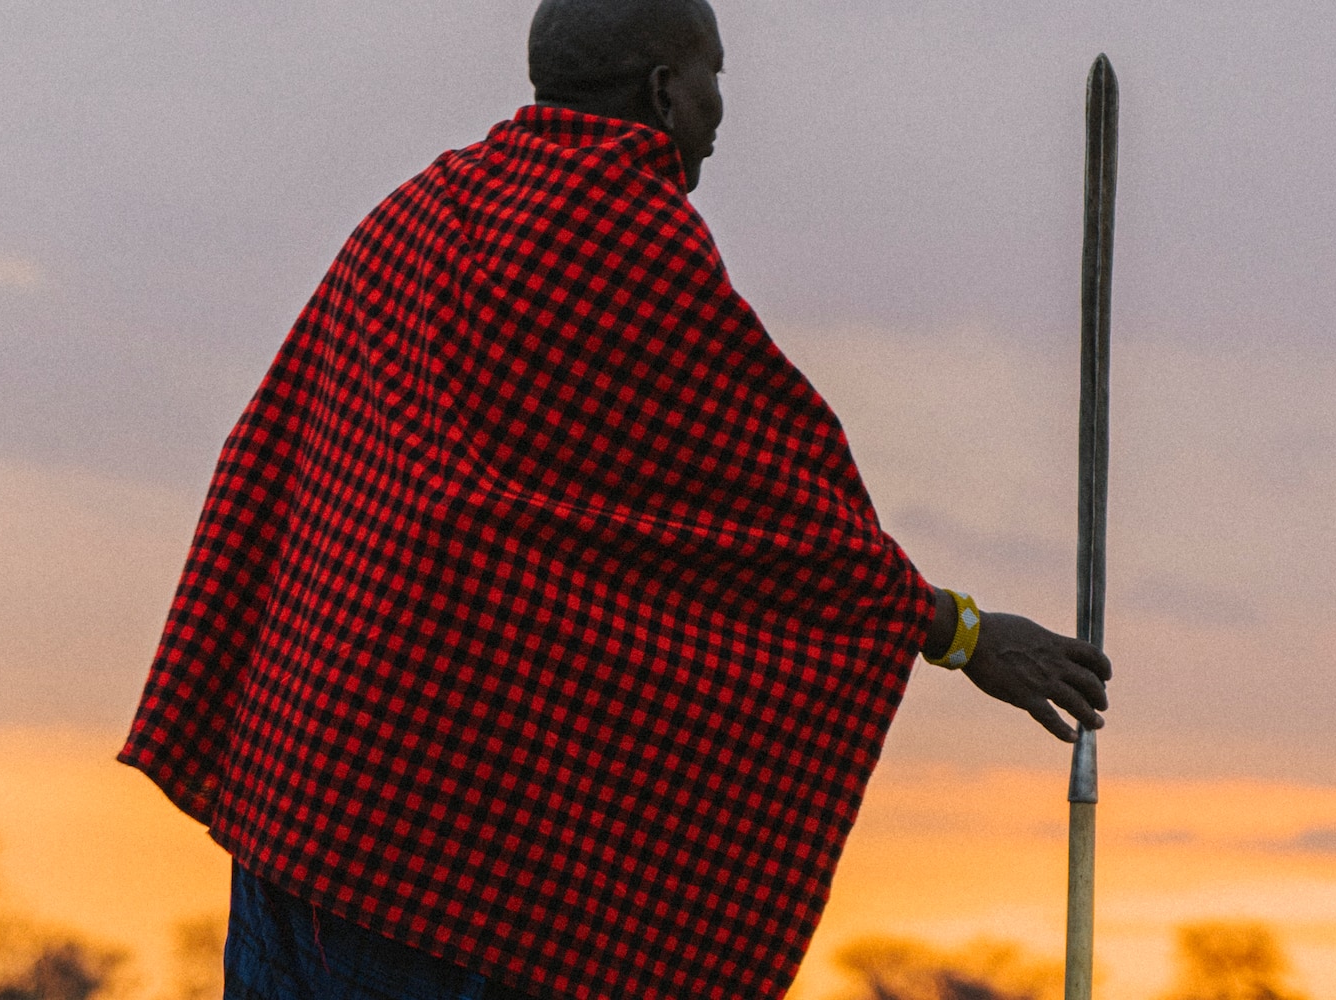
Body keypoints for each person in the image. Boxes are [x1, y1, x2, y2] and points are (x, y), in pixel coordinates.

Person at [118, 1, 1112, 999]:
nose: (719, 111)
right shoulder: (623, 237)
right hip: (445, 862)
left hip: (302, 795)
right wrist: (961, 633)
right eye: (712, 76)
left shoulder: (415, 213)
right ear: (662, 91)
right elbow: (776, 518)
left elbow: (278, 450)